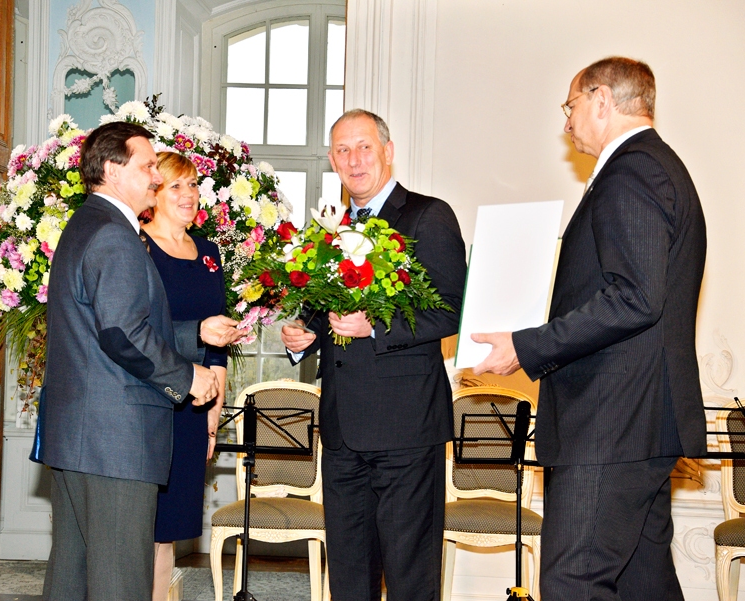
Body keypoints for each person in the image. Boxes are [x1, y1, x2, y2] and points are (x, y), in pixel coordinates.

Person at [472, 57, 707, 600]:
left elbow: (635, 298)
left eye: (571, 105)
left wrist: (526, 347)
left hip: (612, 423)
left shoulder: (633, 171)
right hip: (638, 422)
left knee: (572, 581)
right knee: (642, 583)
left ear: (601, 100)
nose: (567, 120)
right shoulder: (657, 166)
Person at [38, 121, 242, 601]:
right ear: (113, 169)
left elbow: (104, 326)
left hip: (80, 437)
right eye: (149, 166)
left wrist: (191, 337)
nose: (155, 176)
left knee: (72, 576)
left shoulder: (87, 222)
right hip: (115, 442)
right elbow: (122, 334)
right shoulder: (115, 234)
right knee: (120, 582)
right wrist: (188, 377)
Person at [281, 109, 466, 601]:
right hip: (343, 431)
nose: (354, 159)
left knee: (410, 575)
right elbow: (325, 315)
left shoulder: (428, 215)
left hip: (406, 429)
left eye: (364, 147)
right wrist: (306, 334)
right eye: (342, 150)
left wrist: (374, 327)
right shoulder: (330, 231)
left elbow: (450, 311)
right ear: (332, 161)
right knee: (349, 575)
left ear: (387, 151)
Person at [140, 152, 228, 600]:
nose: (189, 194)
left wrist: (214, 411)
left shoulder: (209, 253)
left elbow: (219, 340)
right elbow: (134, 331)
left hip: (194, 409)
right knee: (143, 526)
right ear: (152, 193)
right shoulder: (138, 247)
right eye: (176, 185)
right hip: (147, 403)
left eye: (194, 185)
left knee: (169, 527)